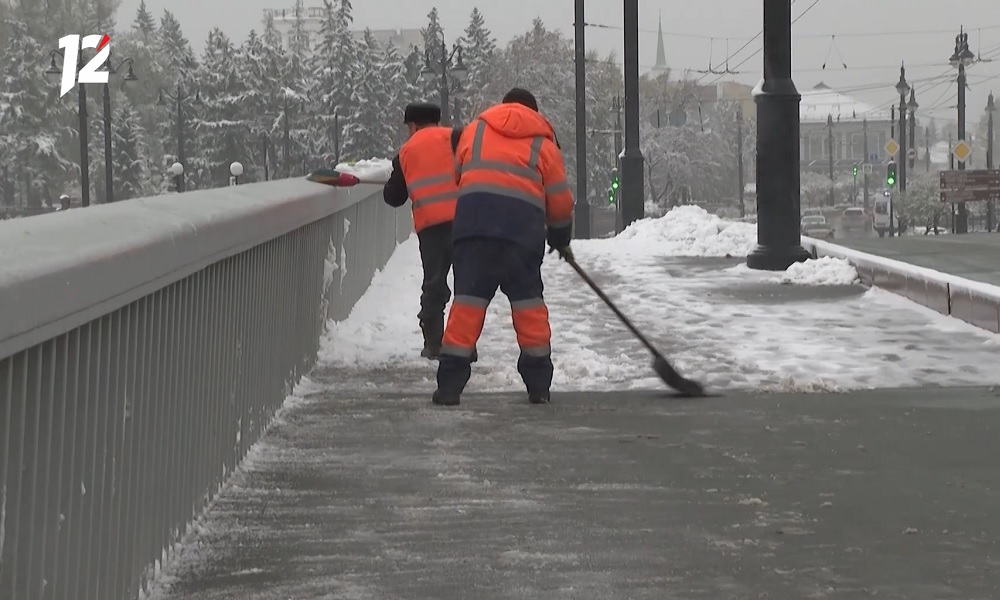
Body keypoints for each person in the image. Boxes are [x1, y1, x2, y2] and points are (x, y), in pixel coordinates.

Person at [433, 88, 574, 407]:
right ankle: (539, 387)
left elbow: (459, 174)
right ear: (535, 113)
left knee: (466, 307)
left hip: (474, 231)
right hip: (521, 237)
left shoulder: (475, 130)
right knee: (529, 310)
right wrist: (560, 234)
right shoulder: (544, 143)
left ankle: (449, 387)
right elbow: (560, 199)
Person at [383, 102, 472, 361]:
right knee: (466, 285)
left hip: (431, 229)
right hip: (465, 221)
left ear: (413, 126)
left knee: (435, 284)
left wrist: (393, 182)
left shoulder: (406, 152)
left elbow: (394, 197)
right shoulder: (457, 138)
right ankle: (464, 343)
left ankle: (434, 344)